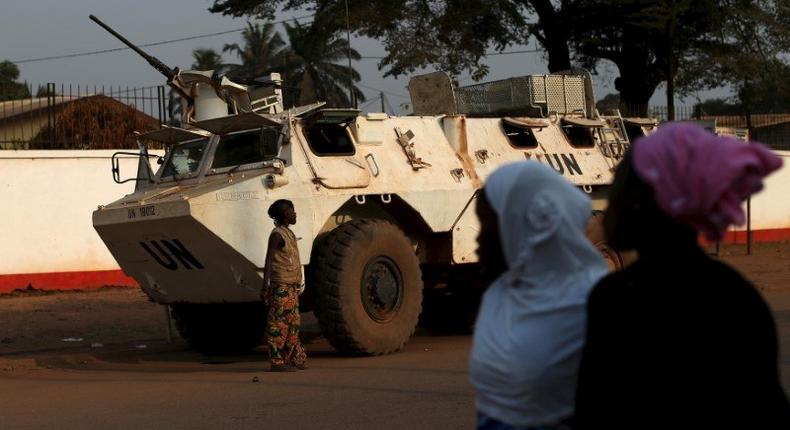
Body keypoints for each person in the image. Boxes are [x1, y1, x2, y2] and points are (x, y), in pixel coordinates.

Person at [575, 122, 790, 428]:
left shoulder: (617, 298)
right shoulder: (736, 295)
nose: (608, 211)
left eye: (619, 194)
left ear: (647, 205)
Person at [470, 162, 608, 429]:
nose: (478, 239)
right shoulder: (499, 296)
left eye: (488, 222)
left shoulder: (594, 304)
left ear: (527, 224)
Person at [262, 199, 307, 372]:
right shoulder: (277, 235)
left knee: (293, 323)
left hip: (291, 286)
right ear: (284, 214)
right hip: (281, 286)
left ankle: (293, 357)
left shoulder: (288, 233)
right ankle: (277, 361)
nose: (294, 213)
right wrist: (264, 286)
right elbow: (268, 260)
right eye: (291, 210)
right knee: (278, 324)